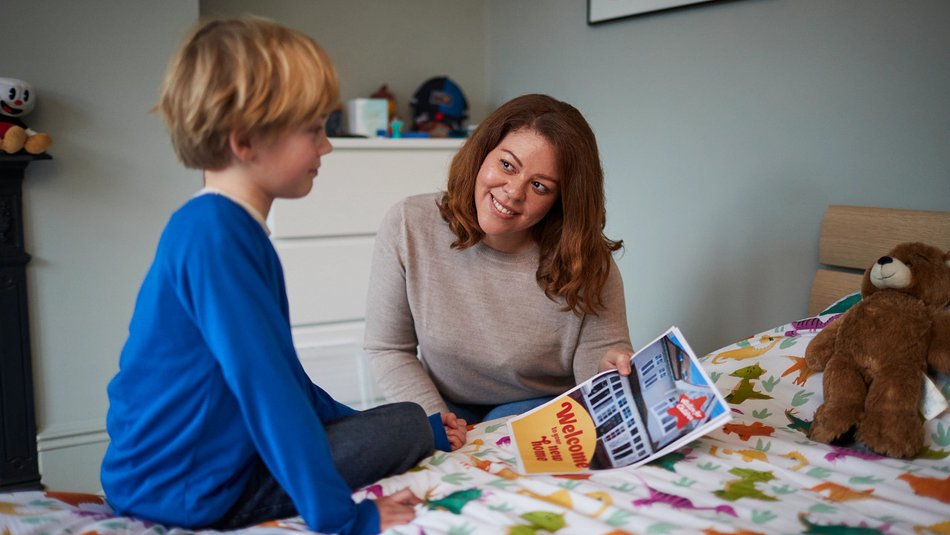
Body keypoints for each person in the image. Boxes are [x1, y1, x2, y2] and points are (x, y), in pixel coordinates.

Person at [100, 17, 465, 535]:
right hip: (182, 489)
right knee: (404, 427)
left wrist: (370, 425)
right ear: (246, 141)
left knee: (404, 420)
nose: (327, 147)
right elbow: (268, 390)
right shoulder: (216, 237)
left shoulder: (226, 227)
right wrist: (345, 519)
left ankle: (405, 428)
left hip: (187, 466)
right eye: (314, 129)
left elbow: (286, 376)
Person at [364, 94, 635, 424]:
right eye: (507, 165)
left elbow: (595, 366)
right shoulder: (409, 224)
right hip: (444, 401)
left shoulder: (586, 259)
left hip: (539, 404)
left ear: (561, 201)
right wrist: (437, 421)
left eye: (539, 186)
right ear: (482, 154)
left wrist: (608, 369)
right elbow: (388, 349)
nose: (513, 192)